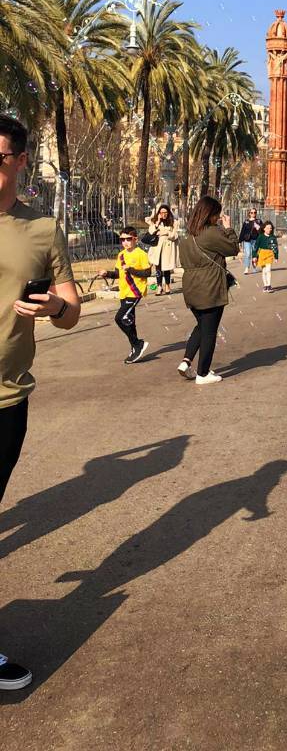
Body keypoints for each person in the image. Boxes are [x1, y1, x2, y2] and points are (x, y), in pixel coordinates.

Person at [0, 113, 80, 690]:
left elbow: (72, 309)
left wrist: (54, 308)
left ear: (21, 160)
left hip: (6, 402)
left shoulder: (41, 229)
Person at [177, 196, 240, 385]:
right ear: (209, 215)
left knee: (202, 325)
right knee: (210, 331)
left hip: (191, 286)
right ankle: (203, 373)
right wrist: (228, 228)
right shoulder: (211, 233)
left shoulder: (187, 236)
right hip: (209, 287)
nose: (218, 218)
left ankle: (186, 361)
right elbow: (233, 248)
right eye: (217, 214)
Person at [97, 225, 153, 363]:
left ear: (135, 239)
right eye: (122, 239)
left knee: (119, 318)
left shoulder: (141, 254)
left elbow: (147, 273)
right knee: (129, 321)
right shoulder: (121, 255)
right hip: (124, 291)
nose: (125, 242)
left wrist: (131, 270)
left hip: (135, 291)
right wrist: (107, 273)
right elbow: (117, 273)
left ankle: (137, 343)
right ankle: (135, 348)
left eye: (128, 239)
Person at [146, 204, 179, 293]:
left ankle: (167, 286)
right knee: (158, 268)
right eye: (161, 212)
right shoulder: (155, 221)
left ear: (168, 213)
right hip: (157, 248)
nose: (163, 214)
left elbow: (174, 235)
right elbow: (151, 232)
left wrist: (165, 232)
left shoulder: (174, 222)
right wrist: (157, 222)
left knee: (166, 267)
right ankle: (159, 286)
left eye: (165, 212)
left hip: (167, 248)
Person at [254, 220, 279, 293]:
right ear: (264, 228)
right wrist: (254, 256)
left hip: (270, 254)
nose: (269, 229)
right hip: (262, 253)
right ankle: (265, 285)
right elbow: (256, 246)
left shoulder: (273, 237)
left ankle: (269, 285)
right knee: (264, 271)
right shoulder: (260, 237)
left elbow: (275, 247)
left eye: (270, 228)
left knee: (268, 270)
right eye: (267, 228)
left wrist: (276, 256)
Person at [238, 208, 262, 275]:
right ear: (249, 213)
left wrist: (258, 228)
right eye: (252, 212)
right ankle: (246, 268)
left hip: (256, 240)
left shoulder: (259, 221)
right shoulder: (246, 222)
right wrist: (239, 241)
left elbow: (262, 231)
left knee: (255, 254)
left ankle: (254, 267)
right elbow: (243, 231)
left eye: (255, 212)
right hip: (247, 240)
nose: (253, 214)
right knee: (248, 254)